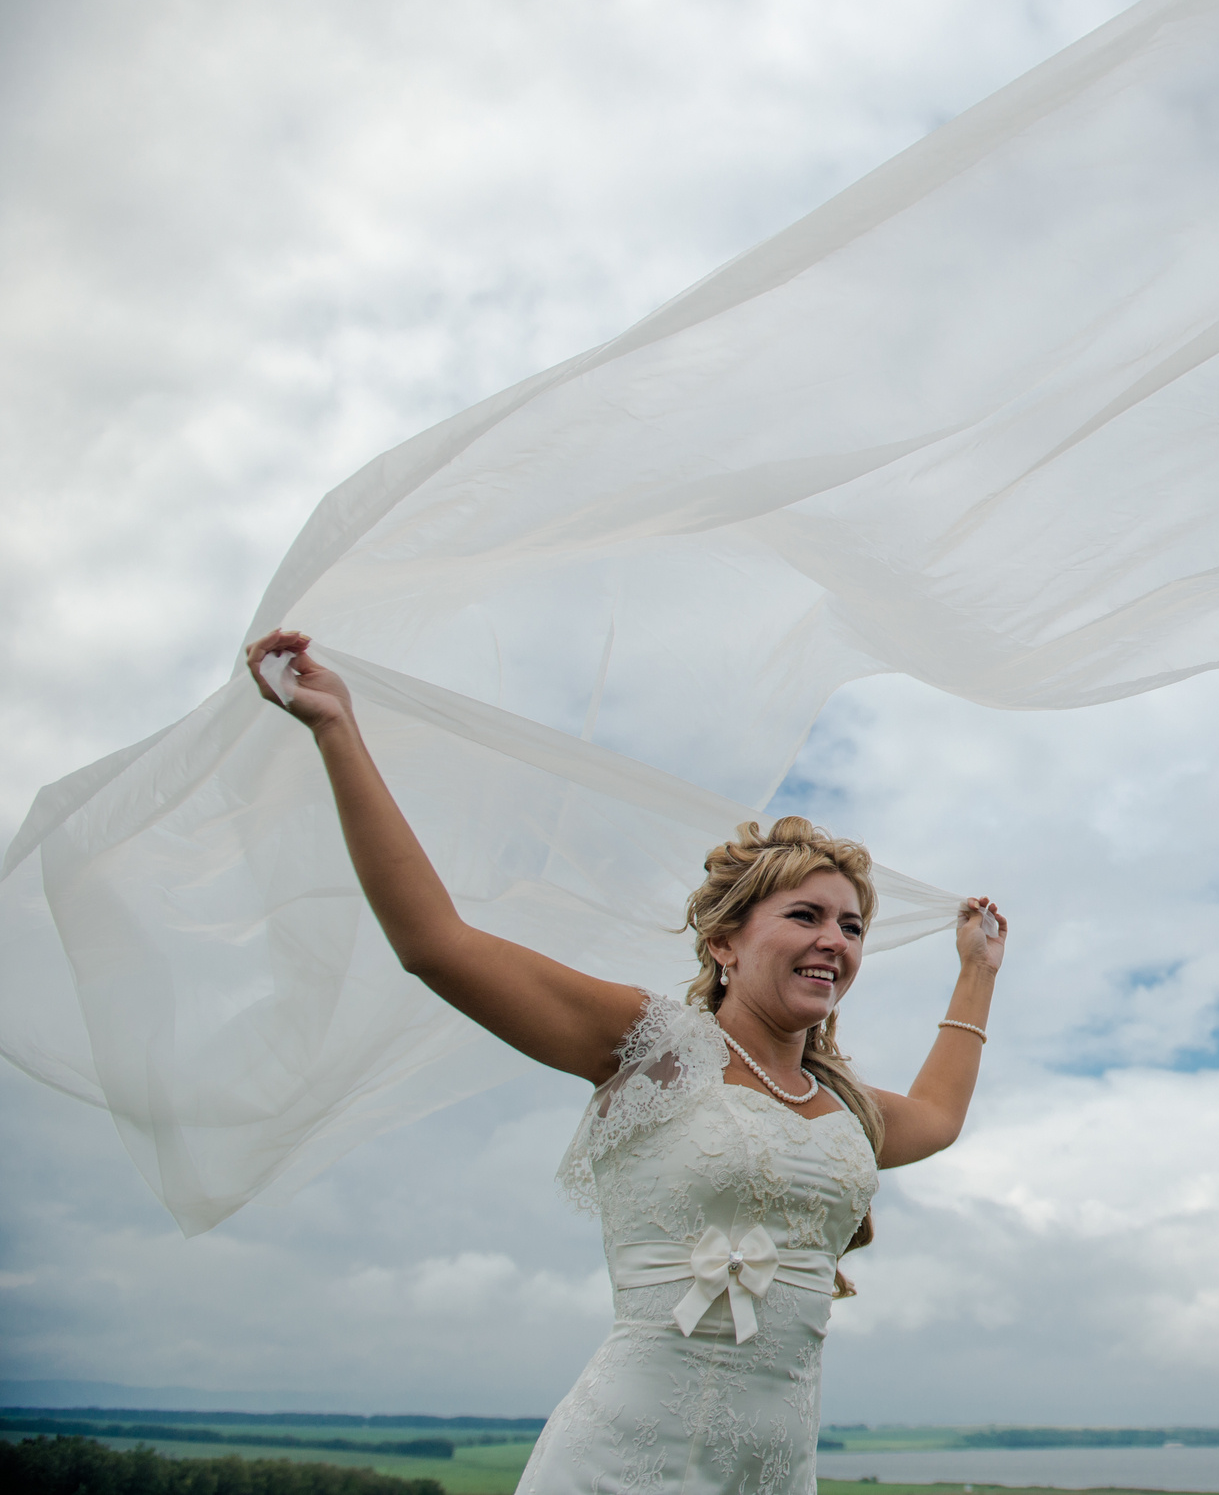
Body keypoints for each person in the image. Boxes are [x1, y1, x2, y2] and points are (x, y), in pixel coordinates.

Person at [245, 628, 1007, 1495]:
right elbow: (436, 944)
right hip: (619, 1468)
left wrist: (976, 972)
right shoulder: (657, 1045)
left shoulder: (841, 1106)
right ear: (724, 940)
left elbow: (937, 1116)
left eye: (852, 926)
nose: (833, 940)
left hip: (771, 1474)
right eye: (805, 915)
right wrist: (337, 728)